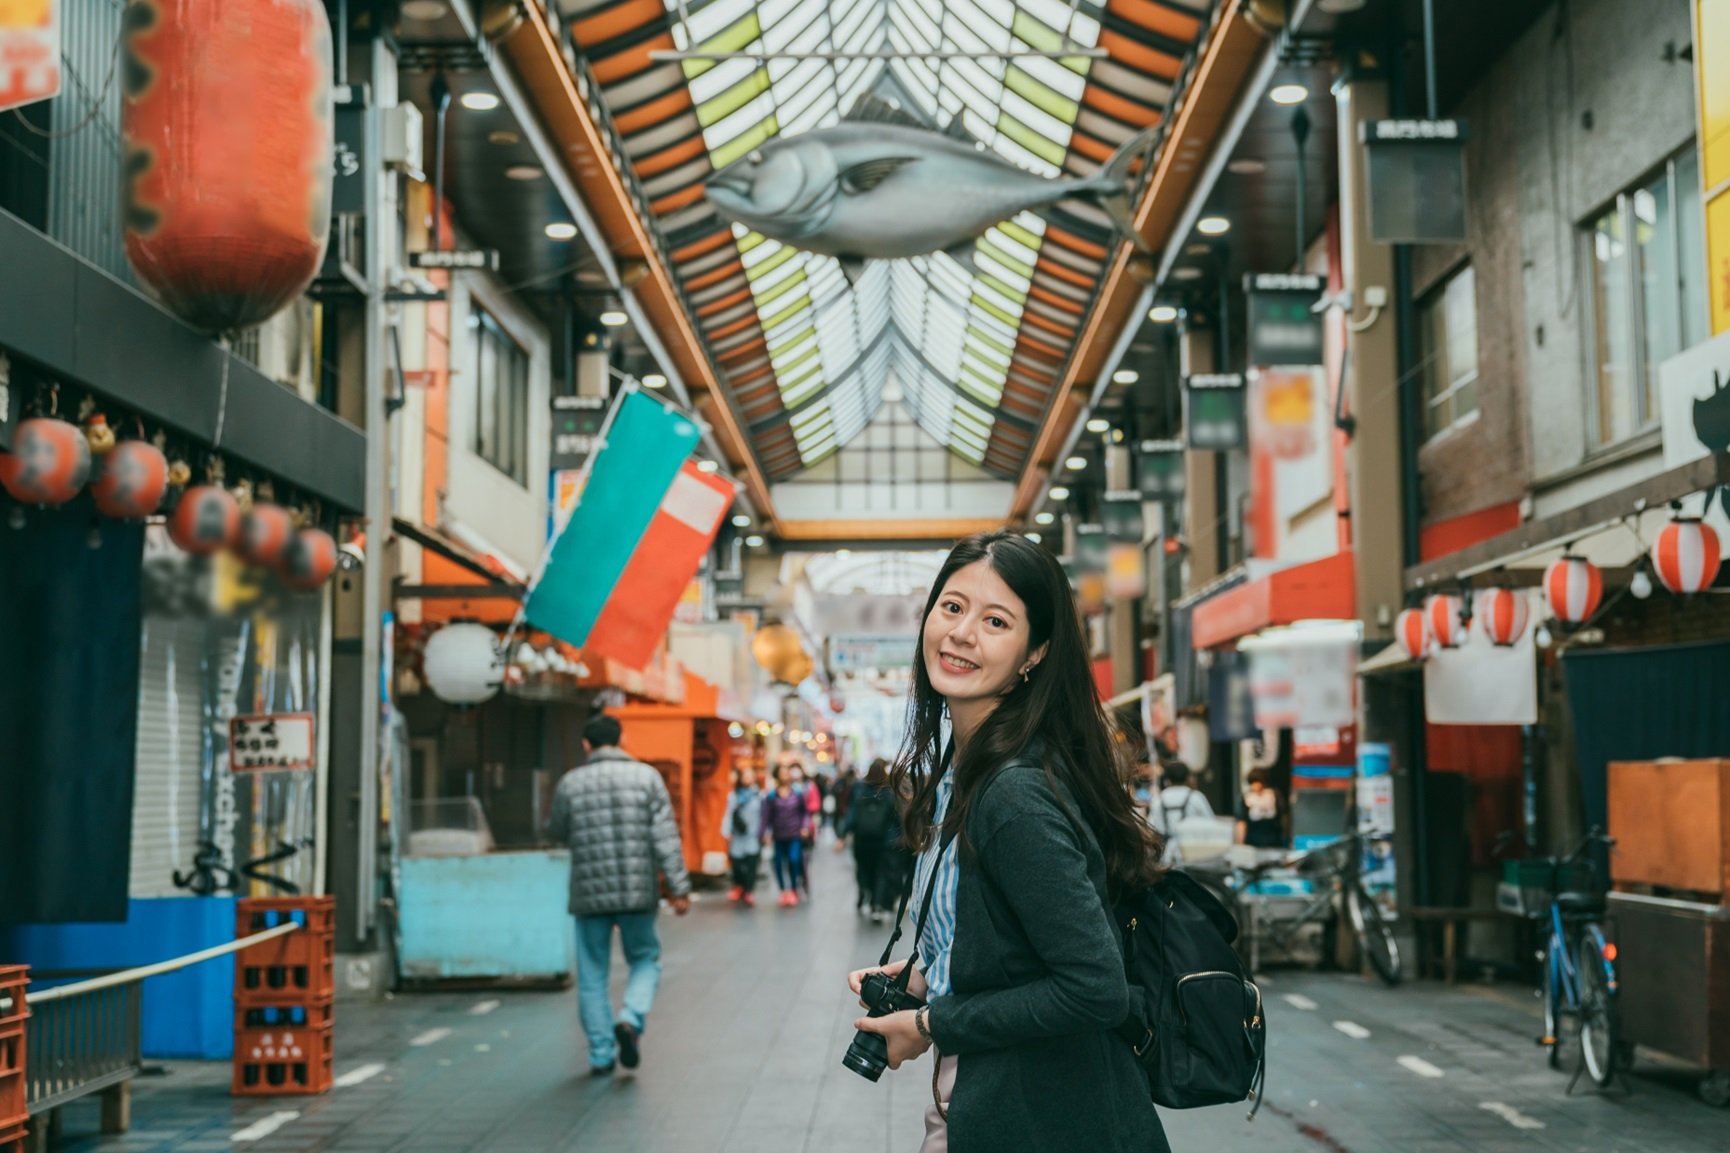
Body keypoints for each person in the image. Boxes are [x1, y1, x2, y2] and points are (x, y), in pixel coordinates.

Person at [846, 531, 1165, 1153]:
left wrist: (931, 1021)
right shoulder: (967, 776)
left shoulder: (1013, 796)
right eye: (953, 606)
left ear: (1034, 653)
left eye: (996, 620)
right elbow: (1018, 944)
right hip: (1001, 1104)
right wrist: (929, 975)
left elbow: (1092, 987)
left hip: (1047, 1117)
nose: (963, 633)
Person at [546, 713, 691, 1078]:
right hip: (636, 892)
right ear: (622, 739)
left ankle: (599, 1054)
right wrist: (678, 888)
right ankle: (630, 1017)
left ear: (586, 744)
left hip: (588, 896)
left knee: (593, 974)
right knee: (644, 958)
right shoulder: (646, 778)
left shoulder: (570, 783)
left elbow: (557, 831)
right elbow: (665, 839)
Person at [839, 757, 899, 922]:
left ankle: (865, 890)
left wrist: (844, 835)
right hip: (883, 842)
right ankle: (876, 905)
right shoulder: (888, 791)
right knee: (880, 873)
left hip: (861, 840)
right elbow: (896, 818)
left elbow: (852, 814)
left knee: (863, 869)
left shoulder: (859, 789)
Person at [762, 763, 812, 907]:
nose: (785, 775)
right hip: (778, 835)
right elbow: (766, 816)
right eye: (782, 773)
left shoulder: (797, 793)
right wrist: (765, 832)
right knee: (777, 862)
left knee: (794, 859)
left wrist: (805, 827)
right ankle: (783, 890)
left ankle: (793, 889)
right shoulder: (771, 795)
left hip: (794, 834)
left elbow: (805, 812)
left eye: (786, 772)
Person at [1149, 759, 1215, 864]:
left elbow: (1151, 828)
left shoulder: (1158, 800)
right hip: (1193, 855)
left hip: (1166, 856)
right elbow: (1211, 824)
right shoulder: (1196, 797)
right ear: (1188, 778)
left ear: (1167, 779)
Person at [721, 765, 766, 906]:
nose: (747, 778)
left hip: (753, 834)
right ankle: (739, 886)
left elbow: (764, 816)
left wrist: (765, 832)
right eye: (745, 776)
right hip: (738, 835)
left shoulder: (760, 795)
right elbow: (728, 814)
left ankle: (749, 891)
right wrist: (726, 831)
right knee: (737, 863)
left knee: (752, 863)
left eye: (750, 776)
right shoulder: (734, 795)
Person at [1237, 768, 1285, 848]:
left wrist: (1285, 837)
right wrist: (1240, 844)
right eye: (1252, 783)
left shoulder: (1274, 795)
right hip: (1253, 840)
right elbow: (1242, 822)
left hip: (1273, 840)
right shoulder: (1247, 798)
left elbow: (1283, 817)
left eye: (1257, 782)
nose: (1255, 786)